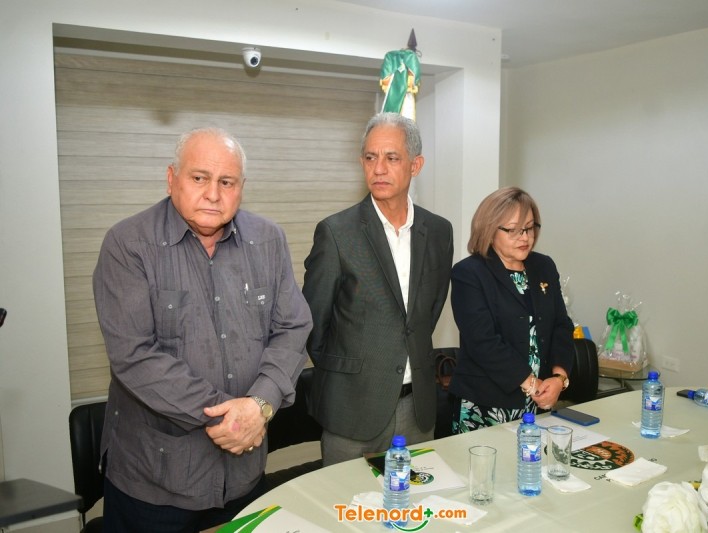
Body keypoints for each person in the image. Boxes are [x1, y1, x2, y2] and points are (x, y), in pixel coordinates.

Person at [92, 127, 312, 532]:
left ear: (241, 188)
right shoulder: (128, 244)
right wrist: (234, 417)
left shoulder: (268, 240)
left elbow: (293, 326)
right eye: (199, 178)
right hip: (155, 483)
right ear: (171, 178)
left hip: (244, 474)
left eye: (226, 182)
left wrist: (258, 404)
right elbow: (134, 356)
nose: (213, 193)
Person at [303, 112, 454, 466]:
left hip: (417, 408)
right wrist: (350, 374)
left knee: (416, 497)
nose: (379, 168)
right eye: (370, 157)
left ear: (416, 165)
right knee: (344, 500)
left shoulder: (439, 231)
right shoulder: (336, 232)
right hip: (352, 408)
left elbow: (426, 314)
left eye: (392, 158)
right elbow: (313, 323)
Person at [449, 187, 574, 433]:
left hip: (540, 400)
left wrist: (559, 379)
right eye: (513, 230)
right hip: (485, 405)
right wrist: (532, 384)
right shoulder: (469, 273)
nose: (525, 237)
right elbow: (482, 341)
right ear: (489, 229)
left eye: (529, 228)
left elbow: (561, 325)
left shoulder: (544, 266)